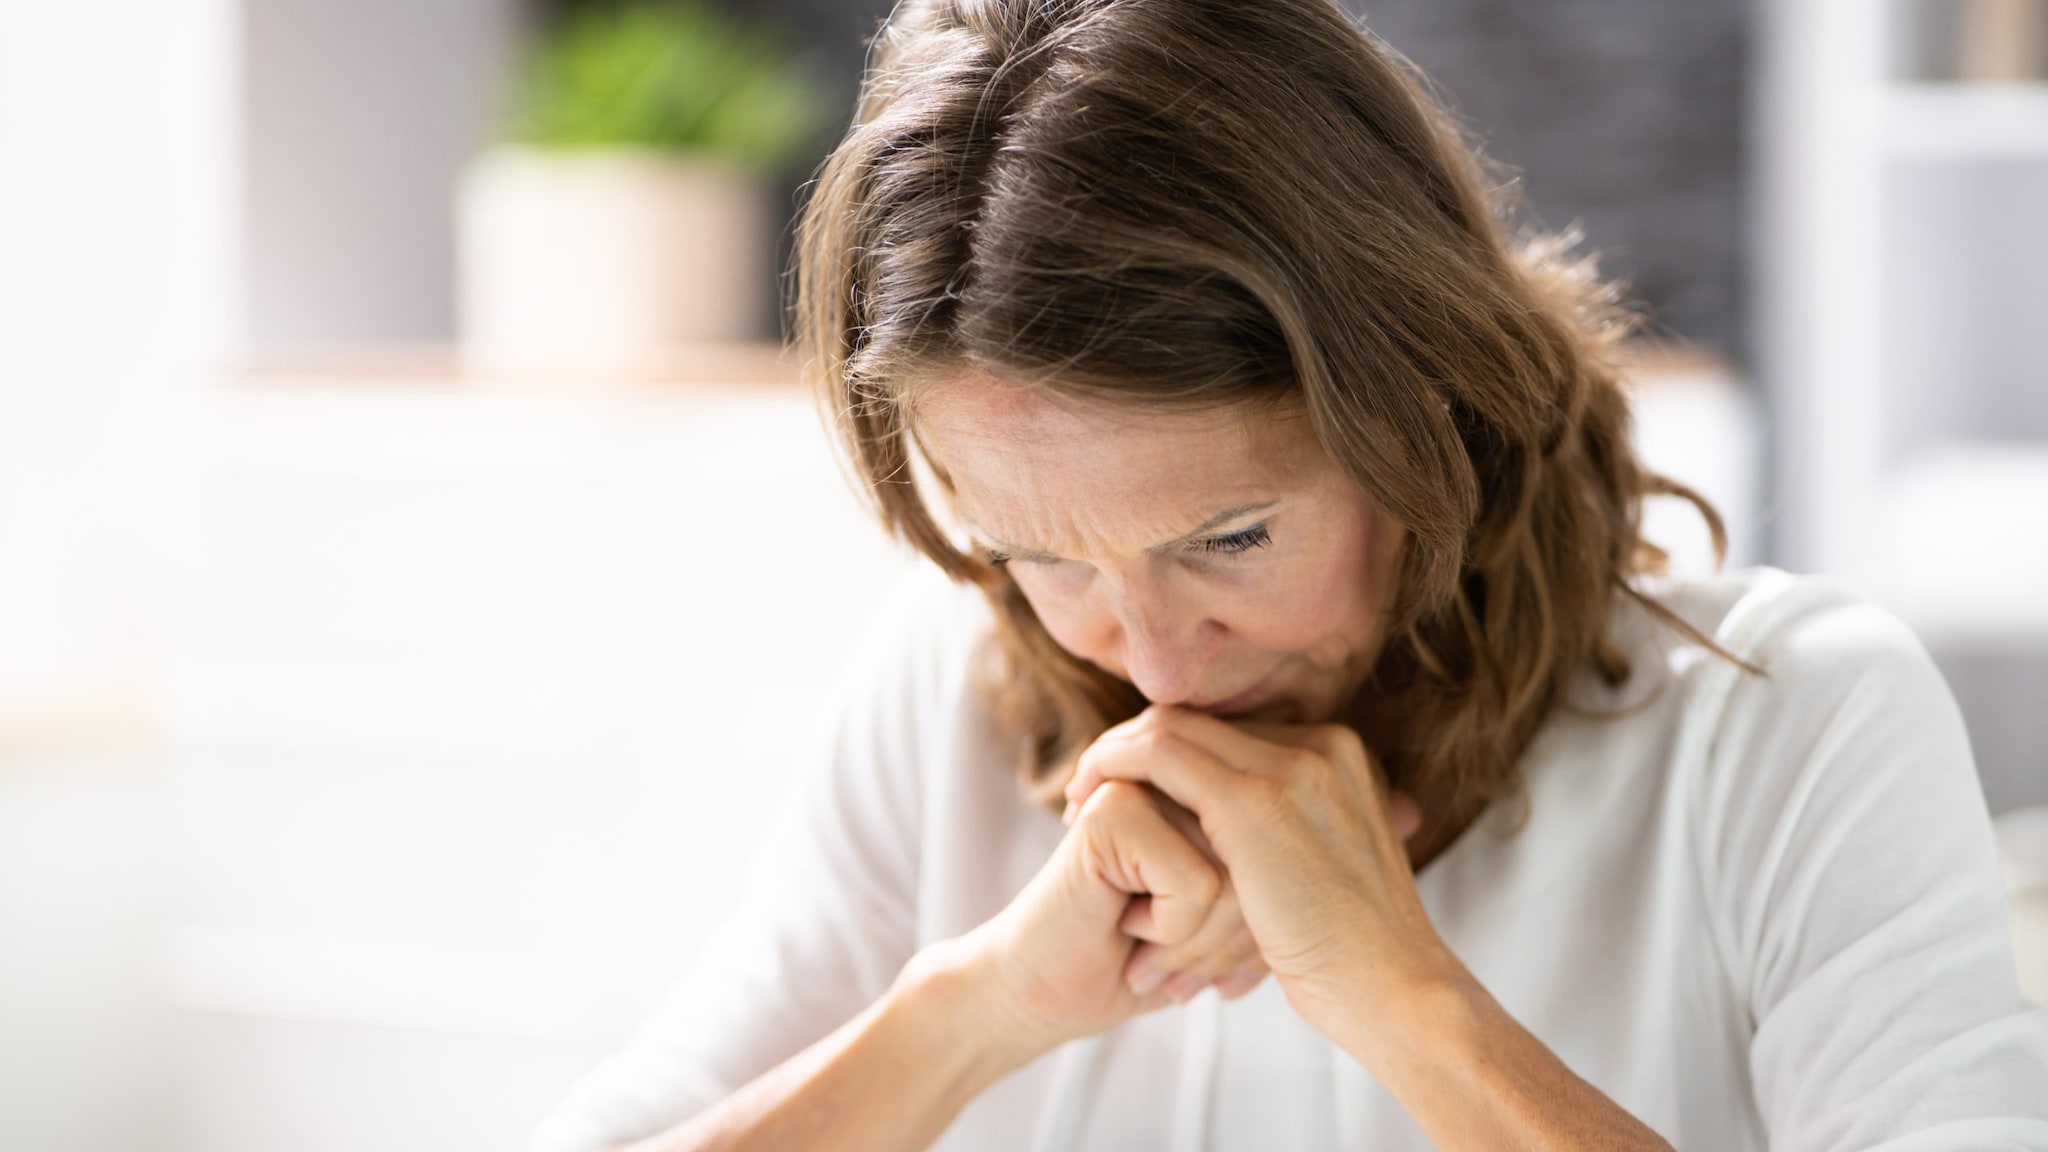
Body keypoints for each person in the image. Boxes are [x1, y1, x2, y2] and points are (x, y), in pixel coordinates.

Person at [533, 0, 2048, 1148]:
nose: (1158, 664)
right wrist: (984, 1006)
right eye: (1040, 556)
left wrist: (1408, 1004)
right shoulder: (943, 692)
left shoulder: (1790, 727)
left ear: (1429, 405)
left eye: (1233, 539)